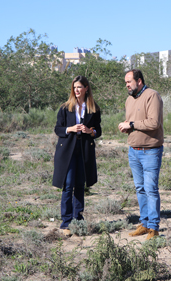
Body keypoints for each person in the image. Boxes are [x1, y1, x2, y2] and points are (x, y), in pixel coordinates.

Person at [53, 75, 101, 236]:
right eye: (74, 87)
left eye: (79, 87)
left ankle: (78, 218)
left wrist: (90, 131)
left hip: (84, 150)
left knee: (80, 184)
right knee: (68, 185)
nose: (77, 90)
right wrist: (70, 129)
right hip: (67, 151)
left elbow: (98, 130)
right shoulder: (65, 107)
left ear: (86, 88)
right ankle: (66, 222)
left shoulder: (93, 108)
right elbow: (58, 129)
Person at [118, 69, 164, 240]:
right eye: (125, 83)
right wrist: (126, 126)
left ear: (139, 81)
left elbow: (154, 123)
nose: (127, 85)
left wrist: (131, 124)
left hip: (151, 151)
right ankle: (144, 224)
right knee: (140, 188)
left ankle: (153, 228)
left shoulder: (153, 96)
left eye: (129, 82)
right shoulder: (129, 99)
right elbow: (133, 124)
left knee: (151, 189)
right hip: (134, 152)